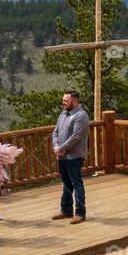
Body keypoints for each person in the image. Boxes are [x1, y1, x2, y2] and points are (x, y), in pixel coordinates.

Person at [51, 90, 90, 224]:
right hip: (61, 155)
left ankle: (80, 213)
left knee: (76, 183)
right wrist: (57, 147)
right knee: (66, 183)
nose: (63, 103)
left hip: (74, 156)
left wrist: (61, 149)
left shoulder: (81, 115)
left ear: (74, 101)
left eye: (66, 101)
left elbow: (76, 137)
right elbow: (55, 132)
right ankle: (66, 210)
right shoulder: (63, 114)